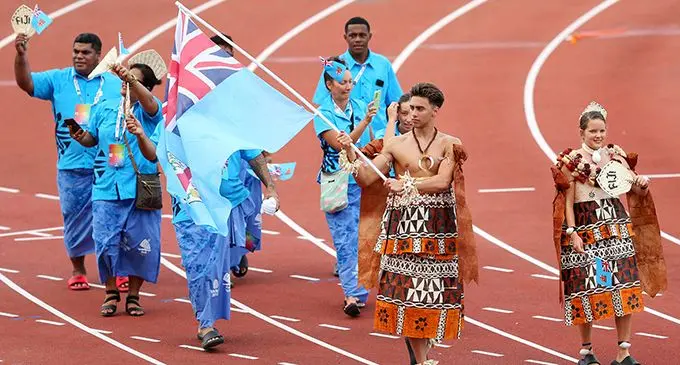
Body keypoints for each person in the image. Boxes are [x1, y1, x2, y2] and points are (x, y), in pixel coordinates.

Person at [337, 82, 478, 364]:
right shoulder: (395, 144)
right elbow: (367, 178)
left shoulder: (450, 143)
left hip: (439, 231)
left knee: (436, 297)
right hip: (404, 231)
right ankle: (422, 360)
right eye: (409, 108)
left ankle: (424, 354)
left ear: (435, 111)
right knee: (408, 298)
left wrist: (406, 184)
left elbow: (442, 182)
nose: (411, 114)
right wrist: (351, 153)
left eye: (418, 109)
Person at [551, 101, 667, 365]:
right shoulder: (570, 162)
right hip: (584, 230)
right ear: (582, 133)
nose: (598, 136)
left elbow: (633, 190)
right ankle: (587, 352)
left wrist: (642, 184)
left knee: (624, 288)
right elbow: (567, 201)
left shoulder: (616, 158)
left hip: (616, 230)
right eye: (593, 131)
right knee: (585, 290)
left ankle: (623, 352)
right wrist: (572, 232)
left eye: (602, 130)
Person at [13, 32, 124, 291]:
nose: (78, 56)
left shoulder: (114, 83)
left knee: (114, 217)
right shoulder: (58, 79)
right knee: (73, 216)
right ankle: (78, 269)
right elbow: (26, 83)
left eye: (85, 52)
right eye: (76, 51)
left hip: (107, 163)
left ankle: (116, 270)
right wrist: (21, 56)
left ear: (99, 54)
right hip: (71, 164)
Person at [69, 53, 165, 317]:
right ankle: (110, 291)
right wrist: (80, 136)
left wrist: (131, 80)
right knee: (104, 241)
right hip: (106, 186)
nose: (126, 84)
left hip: (139, 187)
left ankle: (134, 295)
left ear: (145, 86)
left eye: (134, 81)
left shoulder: (150, 111)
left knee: (141, 243)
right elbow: (92, 139)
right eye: (124, 80)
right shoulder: (105, 107)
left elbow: (149, 104)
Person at [315, 56, 376, 317]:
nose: (348, 86)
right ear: (329, 84)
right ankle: (351, 294)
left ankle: (360, 290)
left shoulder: (361, 105)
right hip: (337, 182)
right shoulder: (323, 114)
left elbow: (372, 142)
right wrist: (364, 123)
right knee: (344, 239)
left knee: (364, 236)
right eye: (342, 82)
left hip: (362, 179)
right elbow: (341, 145)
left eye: (350, 81)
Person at [313, 17, 402, 139]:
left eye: (362, 35)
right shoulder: (336, 68)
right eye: (353, 35)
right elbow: (324, 105)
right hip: (348, 138)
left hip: (380, 137)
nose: (358, 39)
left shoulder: (383, 64)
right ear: (345, 37)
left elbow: (395, 102)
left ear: (369, 36)